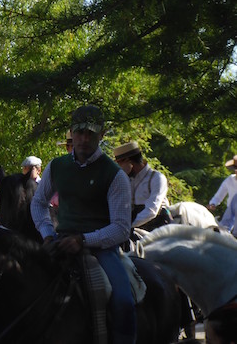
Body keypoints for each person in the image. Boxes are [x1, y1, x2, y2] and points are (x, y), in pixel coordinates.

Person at [31, 104, 135, 344]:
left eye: (91, 133)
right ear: (71, 132)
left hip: (102, 249)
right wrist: (47, 234)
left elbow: (121, 228)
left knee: (123, 300)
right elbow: (38, 203)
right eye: (79, 132)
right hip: (60, 241)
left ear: (101, 135)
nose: (84, 138)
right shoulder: (56, 166)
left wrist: (84, 240)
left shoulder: (114, 175)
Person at [114, 140, 172, 231]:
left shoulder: (157, 178)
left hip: (158, 225)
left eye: (119, 164)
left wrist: (128, 226)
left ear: (129, 161)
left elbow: (152, 210)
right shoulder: (127, 180)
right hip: (134, 226)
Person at [208, 156, 237, 221]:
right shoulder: (229, 180)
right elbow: (219, 195)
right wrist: (213, 203)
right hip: (231, 213)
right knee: (223, 228)